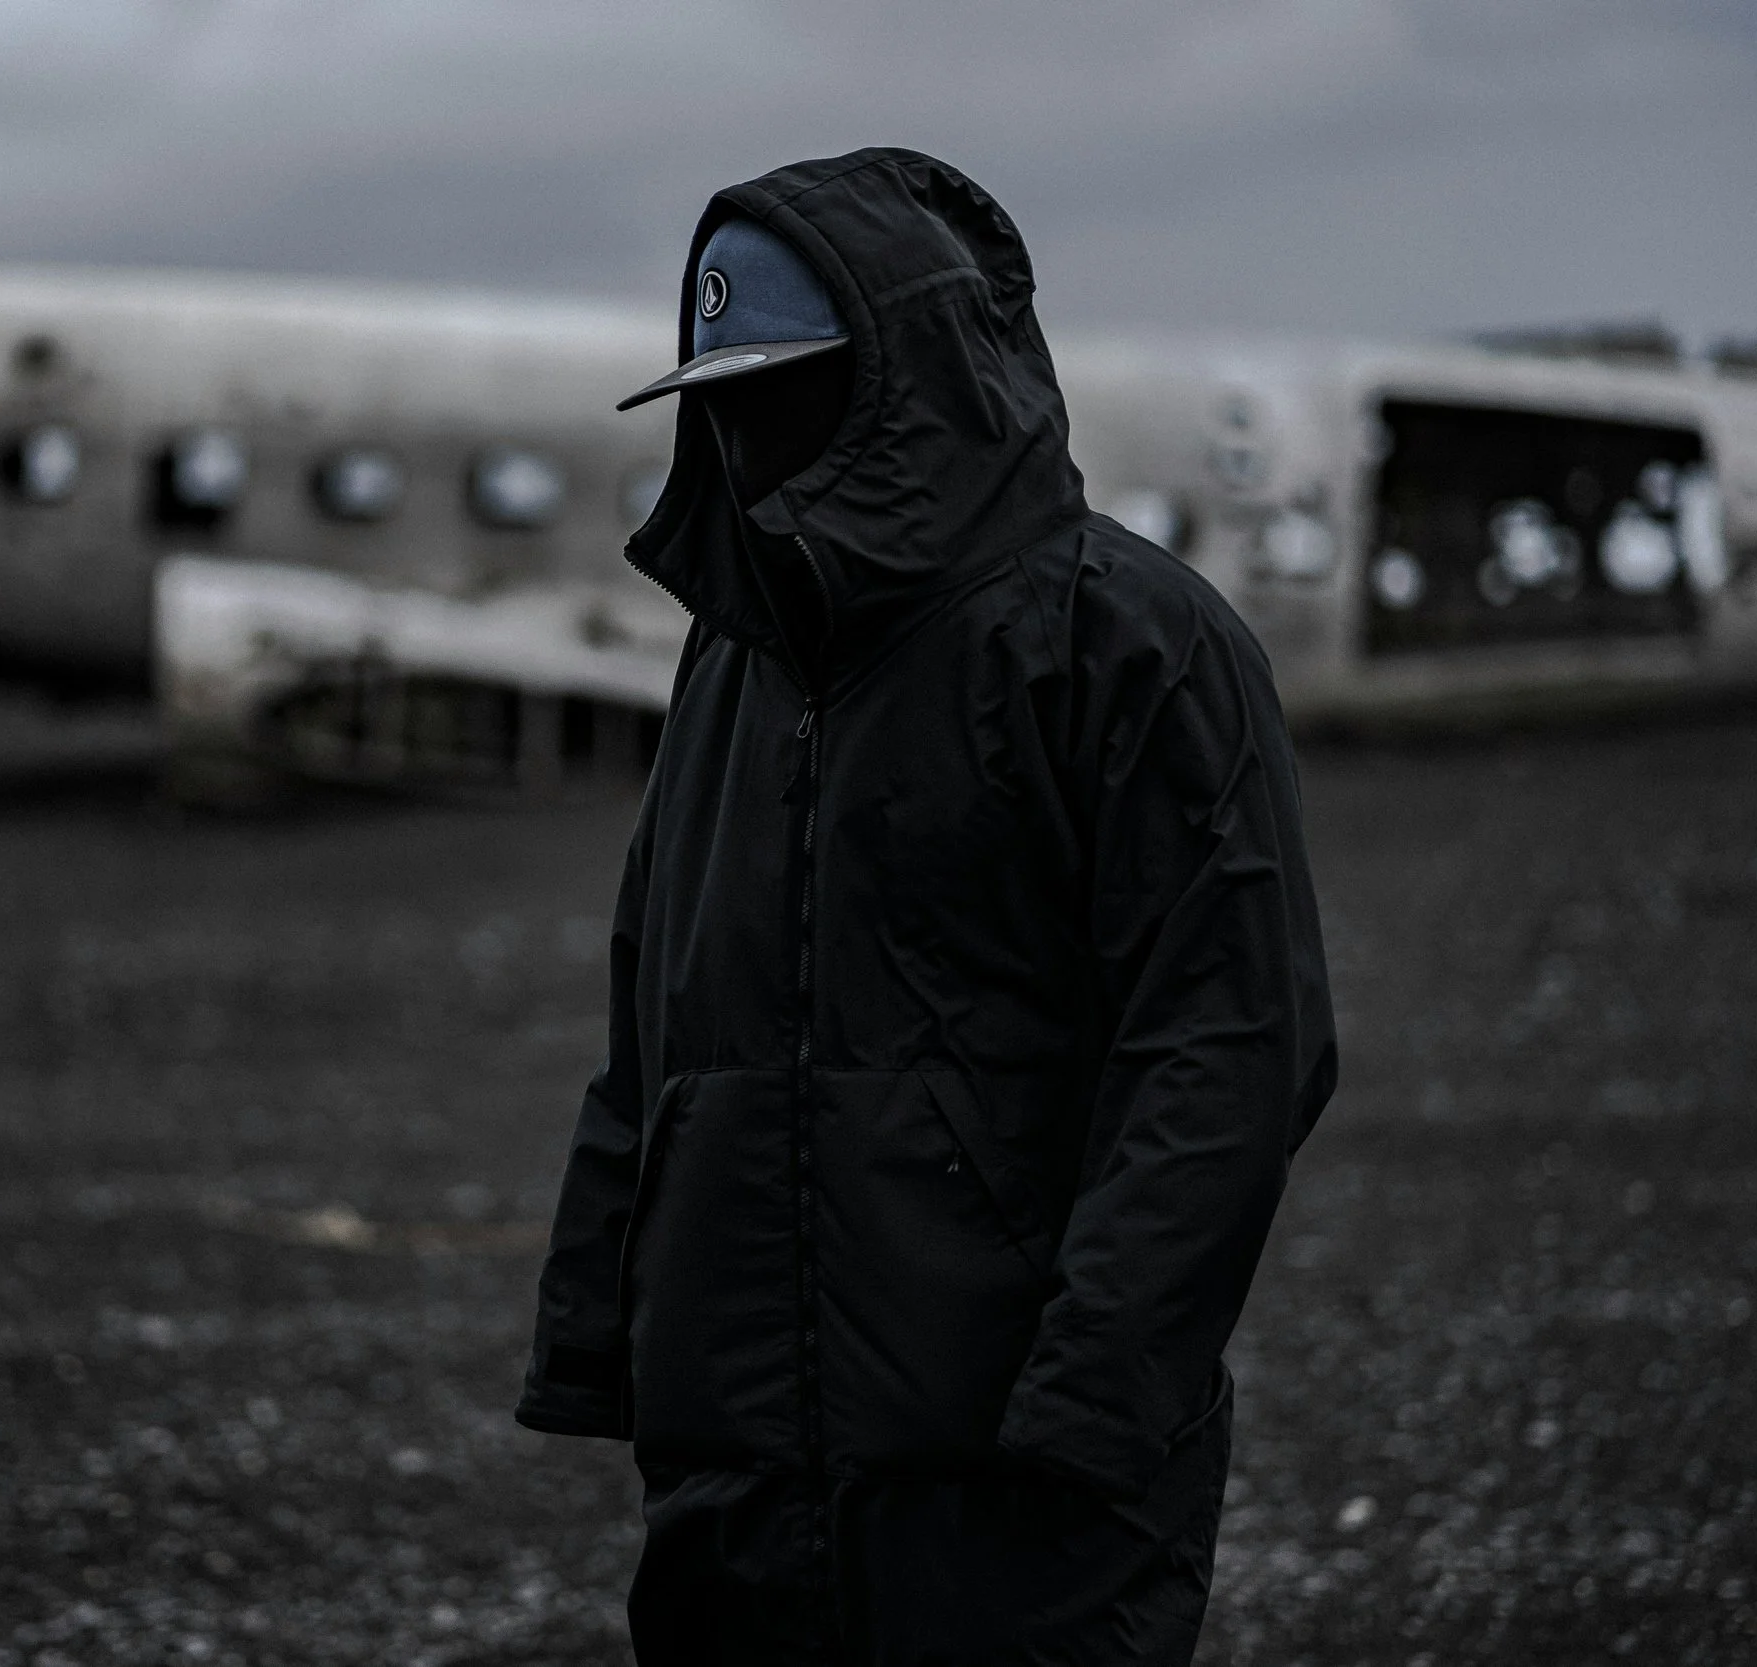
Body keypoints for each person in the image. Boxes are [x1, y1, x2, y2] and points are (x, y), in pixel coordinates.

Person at [516, 147, 1338, 1666]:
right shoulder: (733, 665)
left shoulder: (1132, 647)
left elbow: (1231, 1045)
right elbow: (653, 1017)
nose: (754, 434)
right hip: (738, 1486)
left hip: (1019, 1491)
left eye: (796, 387)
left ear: (914, 375)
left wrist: (1095, 1399)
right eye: (724, 394)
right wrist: (608, 1331)